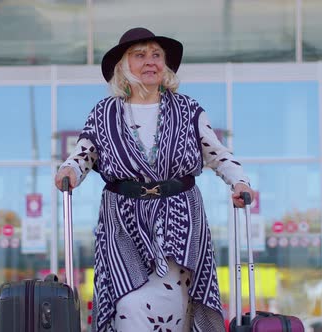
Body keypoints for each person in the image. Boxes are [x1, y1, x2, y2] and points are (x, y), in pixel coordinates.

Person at [54, 27, 255, 332]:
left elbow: (217, 154)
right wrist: (69, 170)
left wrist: (239, 182)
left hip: (180, 220)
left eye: (156, 55)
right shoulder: (104, 112)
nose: (150, 61)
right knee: (129, 304)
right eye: (140, 55)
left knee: (176, 308)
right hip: (123, 221)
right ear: (124, 66)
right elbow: (84, 154)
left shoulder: (188, 110)